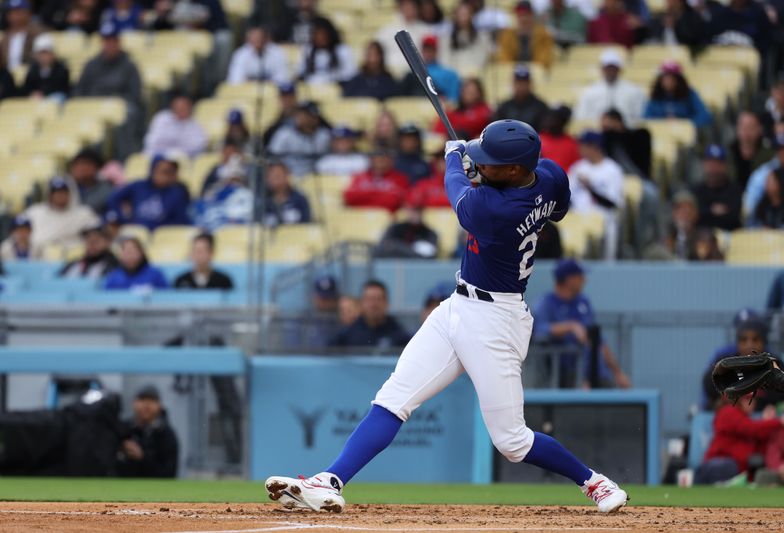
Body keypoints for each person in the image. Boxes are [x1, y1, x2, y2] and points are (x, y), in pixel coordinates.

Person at [266, 119, 629, 514]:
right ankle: (330, 480)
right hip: (457, 307)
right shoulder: (550, 175)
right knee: (393, 399)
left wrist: (455, 158)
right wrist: (484, 165)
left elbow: (457, 191)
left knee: (512, 442)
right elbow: (555, 209)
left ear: (514, 169)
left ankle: (595, 483)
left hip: (497, 321)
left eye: (492, 162)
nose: (483, 163)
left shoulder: (494, 209)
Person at [533, 259, 632, 389]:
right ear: (569, 279)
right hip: (564, 376)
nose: (584, 280)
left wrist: (618, 373)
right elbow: (538, 330)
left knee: (616, 398)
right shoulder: (546, 303)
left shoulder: (583, 301)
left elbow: (598, 341)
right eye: (580, 276)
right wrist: (570, 326)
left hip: (596, 372)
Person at [74, 23, 142, 159]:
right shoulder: (91, 65)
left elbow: (135, 94)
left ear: (118, 42)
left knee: (129, 113)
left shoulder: (129, 66)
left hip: (118, 108)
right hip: (93, 107)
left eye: (112, 41)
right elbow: (79, 92)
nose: (109, 45)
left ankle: (123, 158)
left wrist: (115, 103)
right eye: (106, 41)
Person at [696, 393, 784, 484]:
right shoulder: (728, 411)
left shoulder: (746, 417)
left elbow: (760, 443)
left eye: (753, 400)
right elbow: (751, 429)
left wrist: (768, 422)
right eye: (748, 399)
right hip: (721, 463)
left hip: (739, 471)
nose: (753, 403)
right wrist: (778, 421)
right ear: (740, 400)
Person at [567, 131, 624, 260]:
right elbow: (567, 198)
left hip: (604, 223)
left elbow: (612, 203)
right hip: (578, 222)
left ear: (595, 147)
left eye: (584, 145)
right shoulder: (577, 168)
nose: (580, 148)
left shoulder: (612, 170)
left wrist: (591, 189)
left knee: (605, 264)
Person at [701, 312, 770, 409]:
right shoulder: (725, 363)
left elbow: (778, 396)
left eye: (755, 339)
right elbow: (709, 386)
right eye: (743, 340)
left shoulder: (774, 364)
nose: (749, 345)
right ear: (737, 343)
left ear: (764, 342)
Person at [107, 155, 191, 230]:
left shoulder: (178, 193)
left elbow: (181, 222)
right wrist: (124, 218)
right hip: (136, 231)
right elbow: (113, 199)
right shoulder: (139, 186)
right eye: (164, 171)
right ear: (152, 170)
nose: (167, 176)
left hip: (160, 237)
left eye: (170, 172)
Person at [328, 280, 412, 350]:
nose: (373, 305)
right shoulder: (348, 334)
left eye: (378, 299)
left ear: (386, 303)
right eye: (369, 299)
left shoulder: (399, 334)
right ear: (362, 303)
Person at [116, 385, 179, 478]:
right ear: (134, 403)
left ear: (159, 405)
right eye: (142, 399)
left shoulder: (166, 434)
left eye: (152, 400)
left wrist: (142, 457)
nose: (146, 404)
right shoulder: (122, 430)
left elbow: (169, 473)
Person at [574, 50, 646, 127]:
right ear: (602, 69)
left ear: (619, 69)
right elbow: (581, 116)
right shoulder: (589, 92)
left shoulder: (634, 91)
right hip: (597, 132)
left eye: (613, 68)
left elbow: (640, 117)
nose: (610, 71)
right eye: (608, 68)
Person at [24, 177, 100, 250]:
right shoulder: (34, 212)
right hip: (38, 258)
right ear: (50, 195)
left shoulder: (84, 214)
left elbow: (96, 237)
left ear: (71, 194)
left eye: (64, 192)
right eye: (56, 192)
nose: (60, 195)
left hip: (73, 257)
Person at [267, 101, 332, 177]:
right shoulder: (285, 134)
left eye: (310, 116)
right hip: (289, 175)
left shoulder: (324, 135)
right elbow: (272, 157)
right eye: (301, 114)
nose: (305, 119)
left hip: (316, 176)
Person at [193, 152, 254, 231]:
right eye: (230, 179)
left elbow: (243, 218)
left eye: (236, 179)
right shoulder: (214, 193)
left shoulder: (247, 195)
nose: (232, 182)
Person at [643, 62, 711, 128]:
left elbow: (704, 115)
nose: (668, 81)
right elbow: (646, 118)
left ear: (679, 80)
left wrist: (684, 124)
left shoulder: (689, 94)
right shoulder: (656, 96)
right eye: (665, 78)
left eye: (672, 78)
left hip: (685, 135)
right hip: (660, 135)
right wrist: (663, 123)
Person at [690, 145, 742, 231]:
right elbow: (692, 216)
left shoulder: (736, 191)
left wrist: (704, 214)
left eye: (718, 163)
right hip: (700, 238)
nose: (713, 168)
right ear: (704, 164)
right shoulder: (695, 191)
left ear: (725, 166)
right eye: (710, 163)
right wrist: (711, 211)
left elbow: (734, 218)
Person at [344, 148, 410, 212]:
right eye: (377, 157)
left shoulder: (400, 178)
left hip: (388, 220)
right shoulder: (360, 176)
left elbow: (393, 201)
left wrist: (366, 195)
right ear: (371, 159)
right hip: (359, 217)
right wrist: (380, 194)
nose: (381, 161)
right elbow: (350, 197)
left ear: (391, 161)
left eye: (385, 158)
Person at [143, 93, 208, 158]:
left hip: (183, 159)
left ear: (190, 108)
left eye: (183, 108)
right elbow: (152, 142)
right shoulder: (162, 118)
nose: (180, 110)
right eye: (178, 107)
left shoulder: (195, 124)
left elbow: (197, 146)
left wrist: (174, 148)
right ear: (172, 107)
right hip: (156, 156)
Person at [401, 35, 461, 102]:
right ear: (422, 51)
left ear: (436, 51)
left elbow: (453, 100)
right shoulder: (413, 73)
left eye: (431, 50)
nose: (428, 53)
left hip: (439, 106)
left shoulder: (450, 74)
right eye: (426, 50)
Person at [376, 0, 431, 74]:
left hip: (417, 75)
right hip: (391, 74)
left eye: (411, 6)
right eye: (405, 6)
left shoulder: (426, 30)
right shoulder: (387, 30)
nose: (408, 9)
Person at [495, 1, 554, 68]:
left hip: (536, 74)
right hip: (512, 74)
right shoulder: (507, 35)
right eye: (520, 15)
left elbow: (544, 62)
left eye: (527, 15)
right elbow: (504, 60)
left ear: (532, 16)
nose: (524, 18)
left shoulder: (543, 35)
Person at [297, 17, 356, 85]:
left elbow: (350, 75)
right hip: (312, 89)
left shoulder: (343, 50)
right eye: (317, 34)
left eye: (323, 34)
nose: (320, 38)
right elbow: (300, 74)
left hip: (336, 89)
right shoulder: (307, 50)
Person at [438, 2, 493, 71]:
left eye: (465, 14)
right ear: (455, 16)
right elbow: (444, 61)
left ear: (471, 15)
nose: (463, 18)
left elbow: (482, 59)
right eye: (460, 14)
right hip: (454, 76)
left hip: (474, 75)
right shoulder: (446, 39)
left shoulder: (482, 37)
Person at [600, 108, 652, 179]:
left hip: (639, 178)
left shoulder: (639, 136)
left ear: (617, 122)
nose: (605, 133)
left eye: (607, 128)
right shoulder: (605, 141)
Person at [494, 64, 549, 130]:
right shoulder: (504, 107)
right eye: (518, 82)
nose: (521, 86)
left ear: (530, 83)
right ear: (513, 83)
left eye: (524, 83)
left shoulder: (541, 107)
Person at [373, 204, 439, 259]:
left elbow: (431, 256)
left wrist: (399, 248)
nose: (414, 213)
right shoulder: (395, 229)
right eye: (411, 209)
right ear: (405, 210)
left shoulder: (429, 233)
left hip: (418, 269)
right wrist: (413, 250)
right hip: (392, 267)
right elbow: (381, 249)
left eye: (417, 209)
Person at [729, 111, 775, 190]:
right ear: (737, 129)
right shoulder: (729, 154)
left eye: (751, 128)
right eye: (743, 128)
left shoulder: (769, 156)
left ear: (760, 130)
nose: (746, 133)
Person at [103, 236, 168, 290]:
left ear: (141, 253)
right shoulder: (114, 277)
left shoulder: (156, 275)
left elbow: (167, 298)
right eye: (126, 252)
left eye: (133, 251)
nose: (130, 256)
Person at [260, 161, 311, 227]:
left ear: (287, 176)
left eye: (277, 176)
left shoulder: (300, 200)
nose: (273, 179)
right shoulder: (262, 201)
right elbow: (258, 225)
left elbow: (306, 225)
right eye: (269, 176)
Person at [21, 33, 70, 100]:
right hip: (36, 99)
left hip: (55, 97)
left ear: (53, 54)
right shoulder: (33, 69)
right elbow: (27, 87)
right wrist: (33, 93)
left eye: (46, 53)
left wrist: (44, 95)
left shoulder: (61, 68)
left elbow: (62, 87)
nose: (44, 57)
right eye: (41, 53)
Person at [67, 148, 112, 215]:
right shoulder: (64, 186)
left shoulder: (107, 190)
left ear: (97, 168)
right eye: (77, 164)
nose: (81, 168)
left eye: (86, 164)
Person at [0, 0, 42, 70]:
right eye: (11, 12)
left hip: (30, 74)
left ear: (28, 13)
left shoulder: (38, 33)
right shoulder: (5, 36)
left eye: (18, 12)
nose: (14, 16)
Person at [539, 105, 579, 172]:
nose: (548, 119)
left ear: (563, 121)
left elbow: (575, 169)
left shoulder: (572, 144)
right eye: (548, 116)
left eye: (553, 117)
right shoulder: (537, 138)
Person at [664, 189, 700, 260]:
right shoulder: (665, 238)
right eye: (679, 209)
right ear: (673, 213)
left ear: (696, 213)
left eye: (689, 209)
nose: (684, 214)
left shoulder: (704, 238)